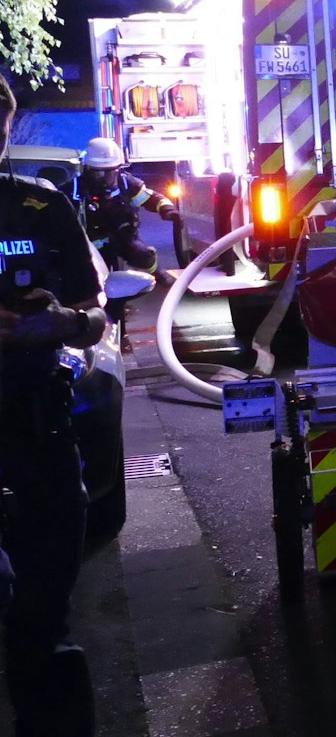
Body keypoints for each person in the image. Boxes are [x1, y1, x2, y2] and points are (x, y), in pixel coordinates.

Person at [1, 75, 108, 736]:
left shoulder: (41, 207)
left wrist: (61, 321)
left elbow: (94, 318)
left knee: (43, 623)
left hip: (37, 432)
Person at [80, 136, 179, 275]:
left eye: (111, 172)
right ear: (87, 169)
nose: (105, 178)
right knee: (90, 272)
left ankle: (157, 273)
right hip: (90, 244)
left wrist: (166, 208)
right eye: (98, 172)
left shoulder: (126, 183)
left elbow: (151, 198)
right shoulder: (75, 191)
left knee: (141, 254)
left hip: (123, 236)